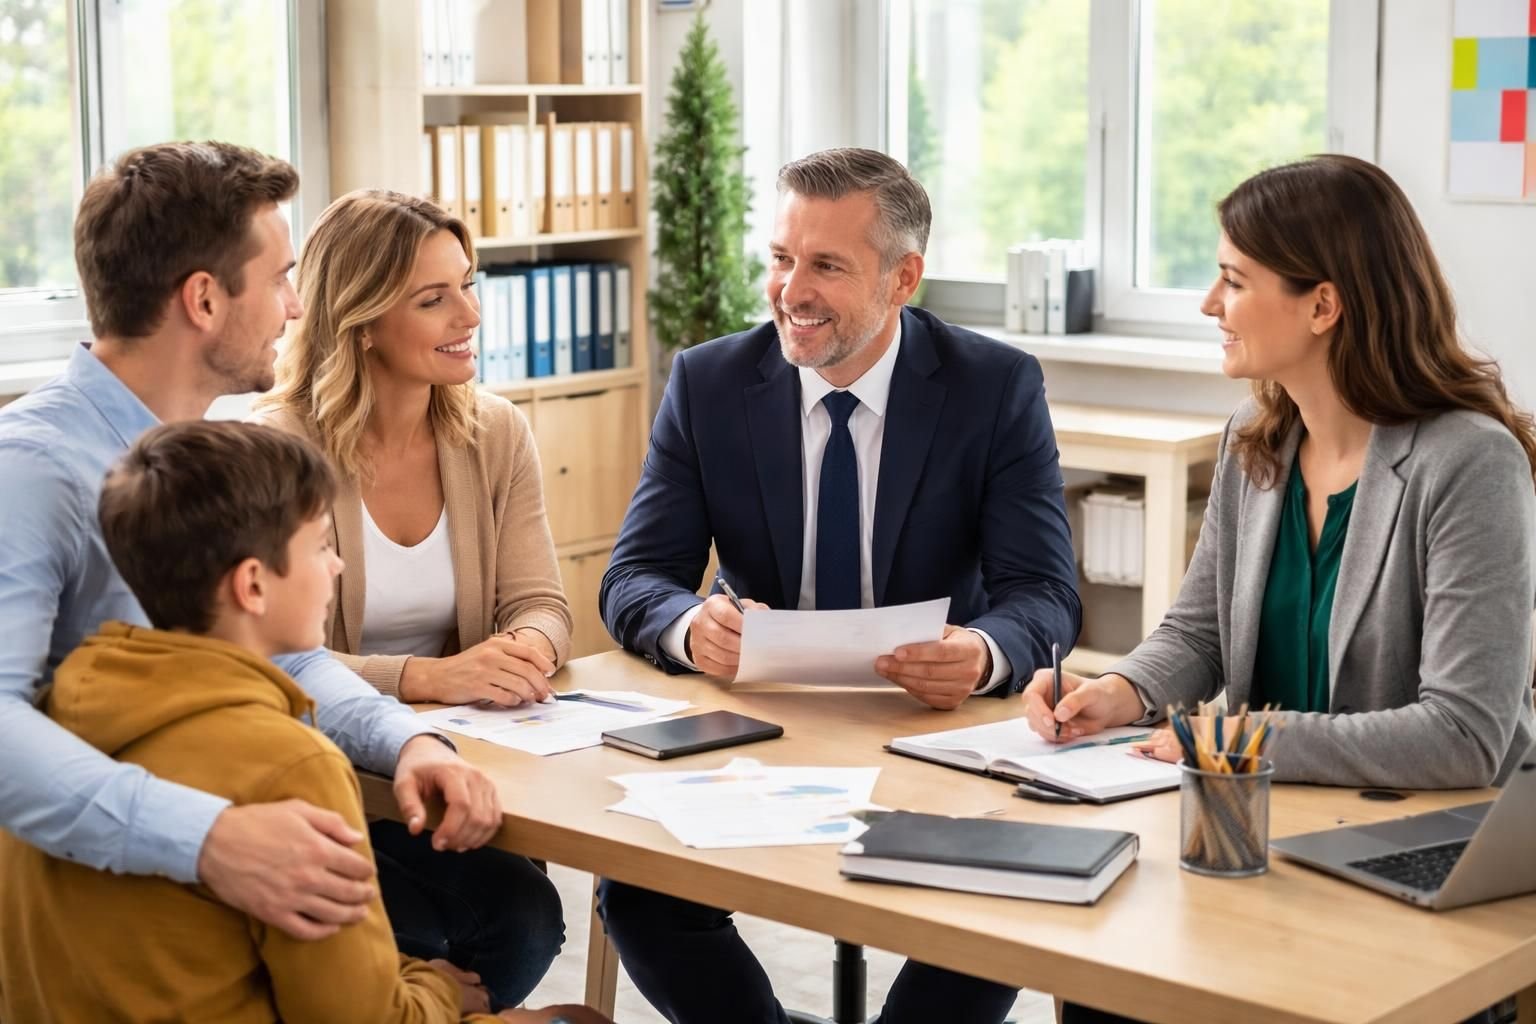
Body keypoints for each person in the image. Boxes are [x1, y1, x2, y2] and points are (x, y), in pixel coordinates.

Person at [1020, 155, 1535, 1024]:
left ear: (1323, 305)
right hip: (1266, 843)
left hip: (1423, 866)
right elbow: (1198, 633)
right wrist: (1125, 690)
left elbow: (1465, 735)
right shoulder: (1256, 445)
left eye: (1232, 280)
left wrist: (1235, 739)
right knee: (1101, 982)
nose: (1208, 305)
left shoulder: (1469, 463)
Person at [597, 147, 1081, 1024]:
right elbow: (635, 577)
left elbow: (1044, 594)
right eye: (781, 259)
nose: (791, 291)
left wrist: (980, 653)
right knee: (639, 893)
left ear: (904, 279)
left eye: (826, 265)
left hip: (930, 733)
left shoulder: (993, 387)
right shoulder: (710, 382)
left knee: (1007, 899)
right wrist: (686, 626)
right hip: (758, 733)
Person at [0, 142, 502, 950]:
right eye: (278, 279)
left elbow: (284, 657)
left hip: (211, 826)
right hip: (98, 893)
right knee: (475, 928)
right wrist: (210, 839)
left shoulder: (204, 452)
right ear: (203, 299)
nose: (298, 309)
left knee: (501, 906)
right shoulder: (30, 467)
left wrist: (408, 740)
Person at [0, 420, 608, 1024]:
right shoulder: (294, 765)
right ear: (253, 585)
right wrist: (442, 993)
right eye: (320, 546)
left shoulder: (52, 730)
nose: (338, 566)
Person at [258, 188, 572, 1008]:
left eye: (468, 285)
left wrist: (525, 652)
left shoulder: (495, 431)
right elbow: (271, 662)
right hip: (328, 777)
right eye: (434, 299)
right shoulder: (272, 450)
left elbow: (542, 601)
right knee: (488, 922)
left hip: (467, 758)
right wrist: (425, 680)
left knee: (526, 915)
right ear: (361, 321)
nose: (469, 314)